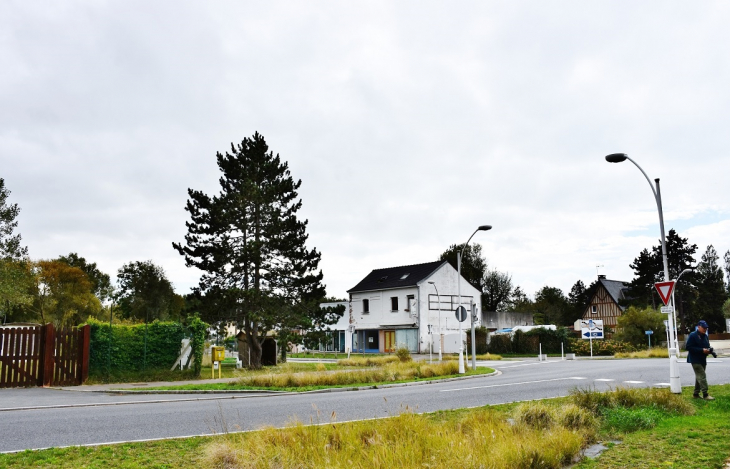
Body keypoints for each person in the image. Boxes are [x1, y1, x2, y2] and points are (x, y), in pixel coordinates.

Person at [685, 320, 715, 400]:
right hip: (695, 359)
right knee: (702, 376)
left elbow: (707, 345)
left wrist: (709, 350)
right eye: (704, 328)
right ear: (699, 327)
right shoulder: (693, 335)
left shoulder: (705, 336)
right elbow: (688, 347)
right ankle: (705, 394)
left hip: (702, 359)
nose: (705, 329)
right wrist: (701, 350)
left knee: (699, 377)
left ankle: (696, 394)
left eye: (706, 328)